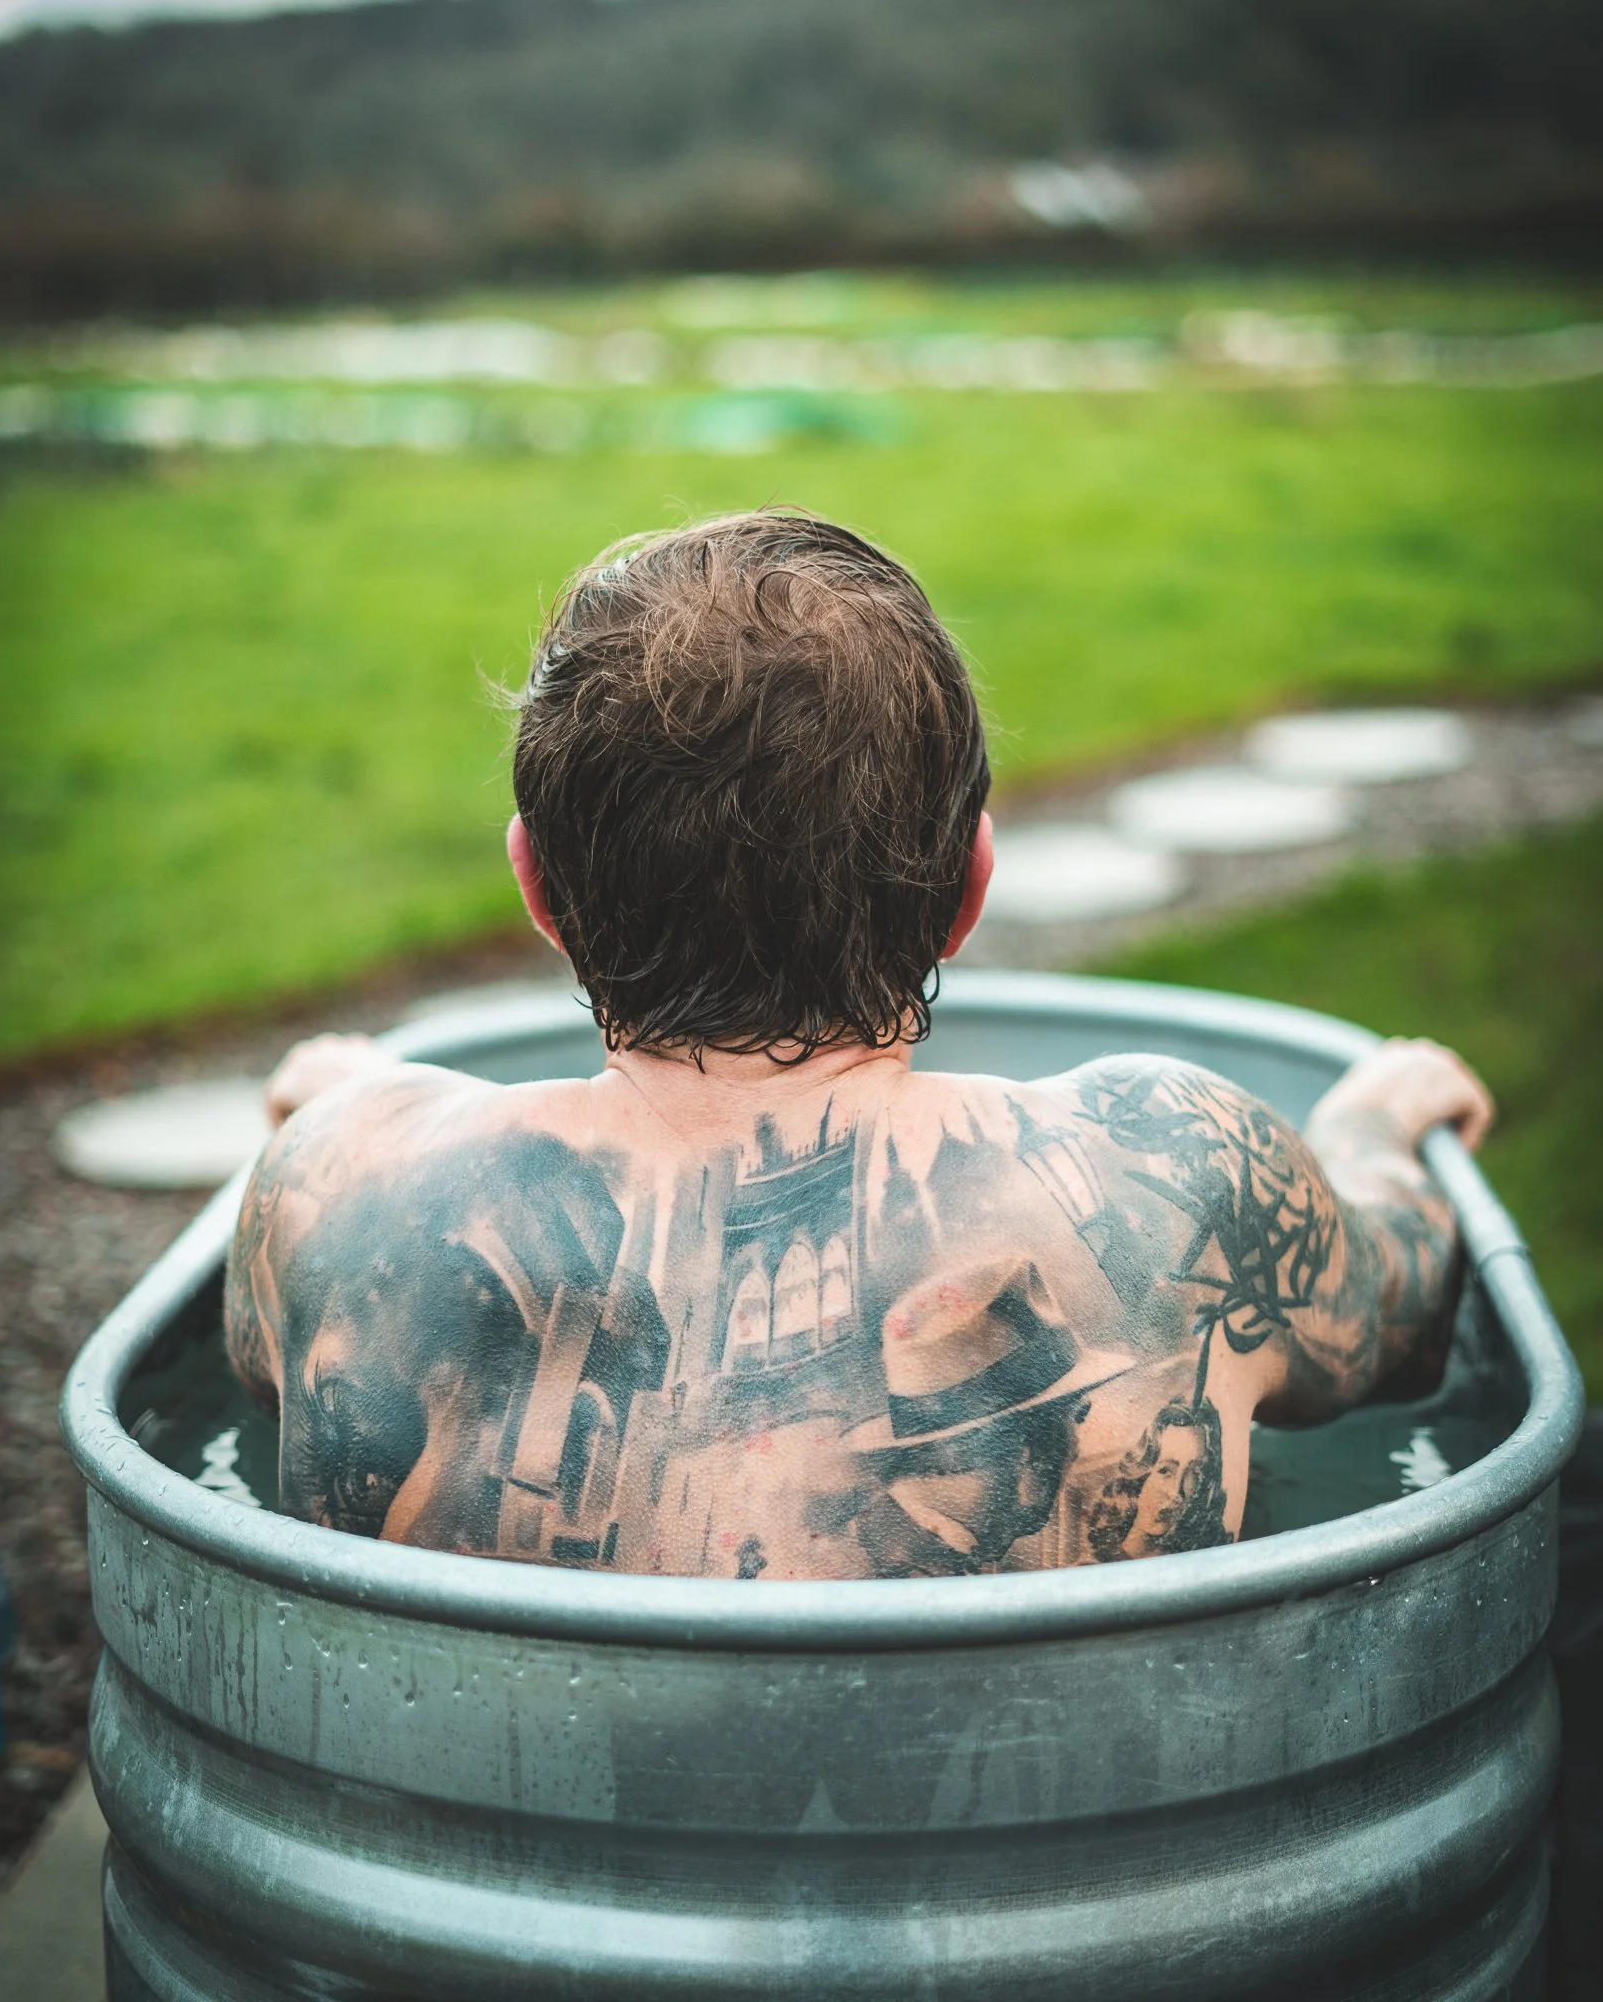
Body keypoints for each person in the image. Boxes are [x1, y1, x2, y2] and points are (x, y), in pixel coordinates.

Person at [226, 510, 1493, 1578]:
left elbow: (281, 1347)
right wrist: (1373, 1124)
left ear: (539, 892)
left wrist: (357, 1109)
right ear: (969, 887)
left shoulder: (334, 1184)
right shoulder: (1176, 1165)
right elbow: (1405, 1305)